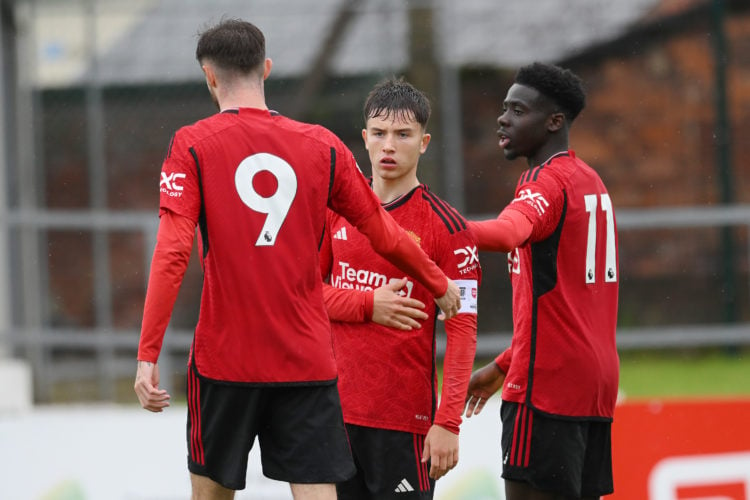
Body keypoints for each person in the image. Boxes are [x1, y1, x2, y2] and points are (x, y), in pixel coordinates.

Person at [132, 19, 461, 500]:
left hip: (226, 360)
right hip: (305, 359)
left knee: (209, 495)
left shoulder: (191, 144)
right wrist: (437, 281)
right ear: (266, 69)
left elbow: (172, 253)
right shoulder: (322, 145)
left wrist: (147, 353)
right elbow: (384, 231)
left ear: (209, 76)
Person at [463, 62, 619, 500]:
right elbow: (566, 304)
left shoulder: (544, 181)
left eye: (517, 110)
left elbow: (510, 231)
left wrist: (442, 228)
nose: (503, 118)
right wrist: (503, 364)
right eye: (504, 108)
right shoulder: (590, 180)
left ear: (554, 122)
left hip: (546, 388)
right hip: (593, 383)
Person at [319, 78, 480, 499]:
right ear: (364, 139)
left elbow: (462, 328)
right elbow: (302, 295)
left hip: (403, 424)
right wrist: (366, 304)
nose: (389, 145)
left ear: (424, 142)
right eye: (379, 133)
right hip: (330, 418)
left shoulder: (449, 229)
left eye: (403, 134)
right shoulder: (332, 213)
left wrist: (447, 422)